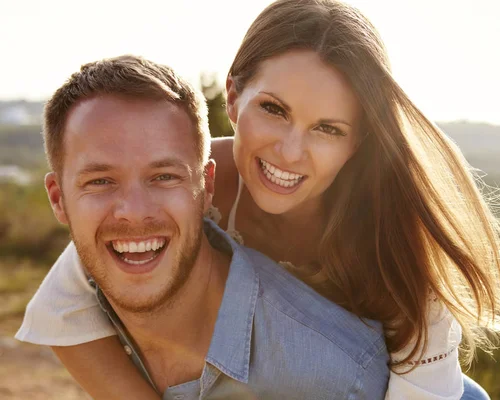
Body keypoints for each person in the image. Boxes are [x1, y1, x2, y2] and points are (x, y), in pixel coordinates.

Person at [17, 0, 500, 398]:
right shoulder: (188, 184)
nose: (290, 152)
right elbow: (62, 309)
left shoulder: (395, 234)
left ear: (358, 139)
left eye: (328, 129)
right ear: (233, 94)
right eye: (274, 109)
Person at [18, 54, 390, 399]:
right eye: (100, 181)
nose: (133, 212)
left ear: (207, 186)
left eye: (164, 176)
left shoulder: (342, 375)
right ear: (58, 199)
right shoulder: (79, 308)